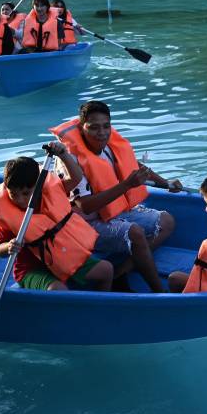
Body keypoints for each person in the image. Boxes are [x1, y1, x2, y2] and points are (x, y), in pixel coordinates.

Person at [50, 100, 179, 293]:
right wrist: (127, 185)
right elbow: (85, 206)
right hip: (83, 225)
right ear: (82, 128)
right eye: (94, 128)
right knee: (135, 232)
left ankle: (121, 272)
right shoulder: (70, 160)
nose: (102, 132)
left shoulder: (109, 146)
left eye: (106, 126)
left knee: (166, 221)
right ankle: (159, 292)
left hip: (113, 212)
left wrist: (166, 183)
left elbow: (136, 168)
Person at [0, 149, 113, 291]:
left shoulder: (51, 193)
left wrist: (63, 154)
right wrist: (9, 246)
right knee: (58, 289)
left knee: (107, 270)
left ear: (39, 187)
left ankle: (101, 306)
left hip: (64, 257)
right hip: (32, 269)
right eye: (13, 194)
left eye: (26, 193)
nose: (20, 200)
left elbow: (76, 178)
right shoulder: (8, 215)